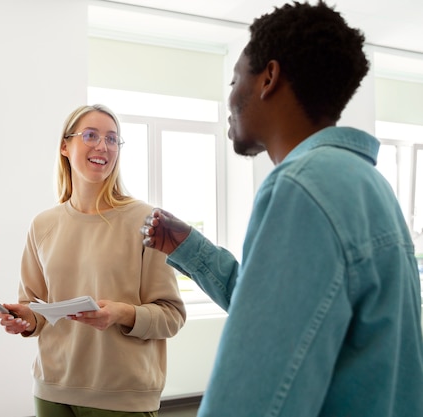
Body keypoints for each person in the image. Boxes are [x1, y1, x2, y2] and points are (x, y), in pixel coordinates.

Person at [140, 2, 423, 416]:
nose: (230, 98)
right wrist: (191, 249)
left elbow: (251, 397)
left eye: (235, 79)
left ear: (268, 78)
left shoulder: (300, 187)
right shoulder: (365, 183)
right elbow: (292, 320)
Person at [0, 104, 186, 416]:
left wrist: (122, 313)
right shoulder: (42, 224)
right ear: (65, 145)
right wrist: (25, 319)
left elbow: (171, 316)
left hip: (121, 396)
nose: (103, 146)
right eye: (91, 135)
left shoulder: (148, 220)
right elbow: (36, 309)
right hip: (52, 390)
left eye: (112, 139)